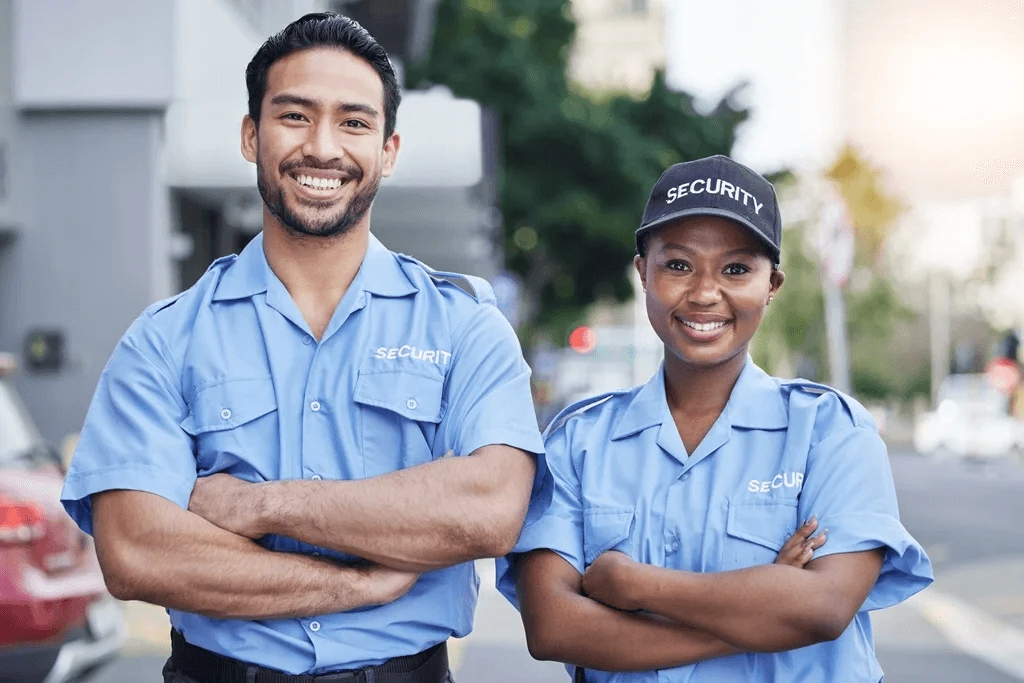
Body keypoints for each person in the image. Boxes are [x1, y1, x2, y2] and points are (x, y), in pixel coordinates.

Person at [60, 13, 548, 683]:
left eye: (353, 122)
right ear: (250, 135)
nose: (323, 147)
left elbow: (490, 507)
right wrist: (359, 584)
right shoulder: (165, 338)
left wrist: (258, 506)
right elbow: (137, 550)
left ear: (389, 149)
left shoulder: (463, 326)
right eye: (295, 116)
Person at [498, 155, 933, 682]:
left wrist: (636, 585)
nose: (705, 293)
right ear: (643, 273)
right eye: (678, 265)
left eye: (736, 269)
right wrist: (763, 603)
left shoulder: (830, 431)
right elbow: (553, 629)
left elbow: (823, 608)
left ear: (772, 284)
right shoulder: (579, 443)